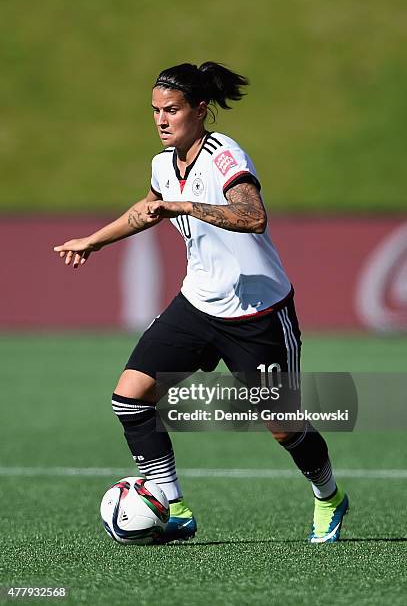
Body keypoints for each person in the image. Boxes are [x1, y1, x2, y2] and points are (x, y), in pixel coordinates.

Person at [54, 62, 349, 544]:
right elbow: (147, 209)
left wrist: (184, 206)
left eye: (172, 109)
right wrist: (94, 240)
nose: (161, 119)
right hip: (196, 305)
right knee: (129, 399)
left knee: (282, 426)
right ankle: (174, 508)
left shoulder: (224, 155)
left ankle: (329, 495)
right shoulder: (161, 164)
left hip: (257, 313)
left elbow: (253, 216)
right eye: (155, 110)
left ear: (200, 110)